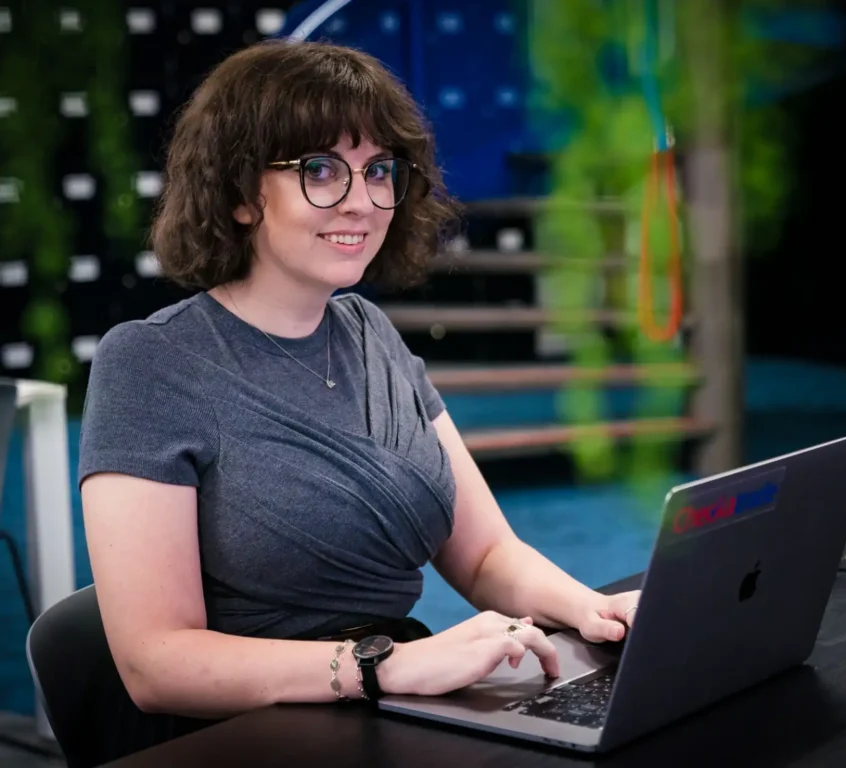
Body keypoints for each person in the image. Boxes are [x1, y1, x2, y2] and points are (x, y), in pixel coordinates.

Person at [79, 39, 640, 757]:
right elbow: (155, 665)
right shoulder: (151, 363)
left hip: (382, 701)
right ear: (241, 191)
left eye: (379, 170)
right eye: (321, 170)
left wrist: (596, 614)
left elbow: (484, 553)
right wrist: (384, 667)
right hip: (240, 731)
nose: (363, 201)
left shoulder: (370, 332)